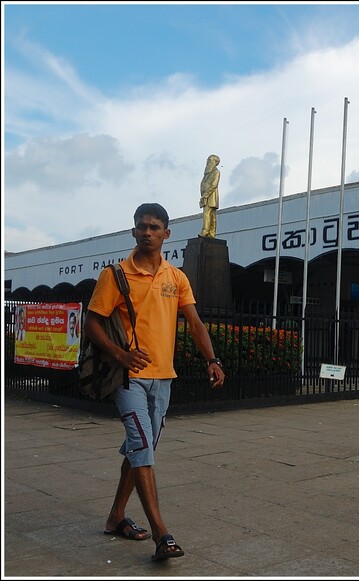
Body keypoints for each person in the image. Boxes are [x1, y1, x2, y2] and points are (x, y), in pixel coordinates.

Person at [85, 202, 225, 561]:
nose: (147, 232)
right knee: (142, 446)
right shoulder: (115, 275)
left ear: (166, 233)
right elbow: (93, 323)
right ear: (133, 231)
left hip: (164, 379)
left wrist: (212, 359)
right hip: (130, 378)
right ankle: (162, 534)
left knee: (139, 450)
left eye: (154, 226)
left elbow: (194, 322)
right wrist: (120, 355)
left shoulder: (176, 278)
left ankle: (116, 517)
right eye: (141, 226)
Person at [199, 154, 221, 238]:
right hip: (205, 196)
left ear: (215, 162)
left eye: (210, 160)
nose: (207, 162)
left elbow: (214, 184)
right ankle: (211, 233)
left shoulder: (216, 172)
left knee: (207, 213)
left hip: (210, 197)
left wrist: (205, 195)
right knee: (210, 214)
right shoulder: (207, 173)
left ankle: (206, 230)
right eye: (207, 160)